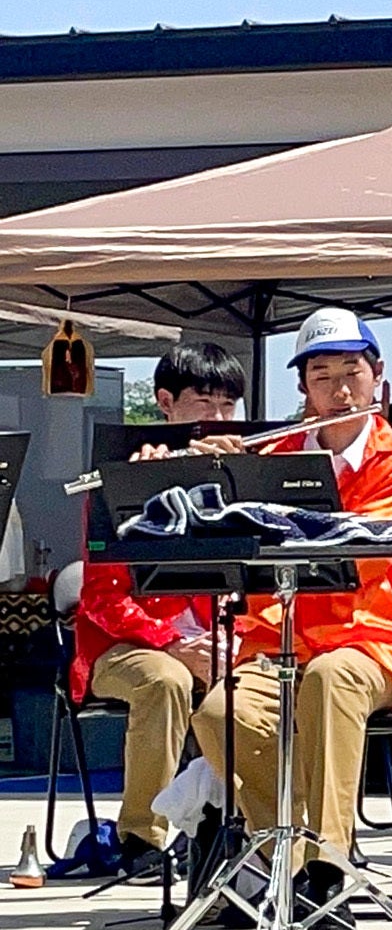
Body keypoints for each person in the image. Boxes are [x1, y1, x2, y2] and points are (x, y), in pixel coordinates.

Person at [189, 310, 392, 930]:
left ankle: (330, 871)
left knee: (329, 680)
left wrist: (273, 503)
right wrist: (210, 477)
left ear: (378, 377)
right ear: (304, 389)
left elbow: (357, 554)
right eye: (322, 377)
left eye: (353, 372)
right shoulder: (268, 457)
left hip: (367, 641)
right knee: (219, 715)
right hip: (277, 641)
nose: (341, 390)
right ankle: (286, 860)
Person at [71, 341, 246, 873]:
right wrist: (171, 643)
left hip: (220, 637)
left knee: (270, 677)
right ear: (165, 403)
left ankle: (243, 828)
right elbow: (102, 596)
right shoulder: (122, 478)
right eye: (204, 403)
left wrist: (236, 638)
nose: (218, 419)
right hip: (127, 645)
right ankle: (141, 838)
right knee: (167, 680)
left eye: (228, 405)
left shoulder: (246, 477)